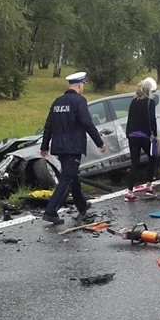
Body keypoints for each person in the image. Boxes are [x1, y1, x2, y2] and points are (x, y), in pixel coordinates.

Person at [39, 71, 107, 225]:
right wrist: (100, 142)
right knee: (67, 179)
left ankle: (82, 205)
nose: (83, 87)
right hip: (73, 147)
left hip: (59, 147)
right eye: (83, 85)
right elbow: (87, 123)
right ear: (79, 85)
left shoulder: (57, 102)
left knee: (72, 177)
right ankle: (51, 211)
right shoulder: (79, 101)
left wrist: (44, 146)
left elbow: (48, 126)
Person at [124, 77, 159, 202]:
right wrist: (155, 135)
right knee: (153, 158)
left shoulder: (133, 101)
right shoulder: (150, 102)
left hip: (132, 135)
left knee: (134, 163)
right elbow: (152, 120)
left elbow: (130, 118)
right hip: (144, 136)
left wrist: (128, 133)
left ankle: (129, 192)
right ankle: (149, 186)